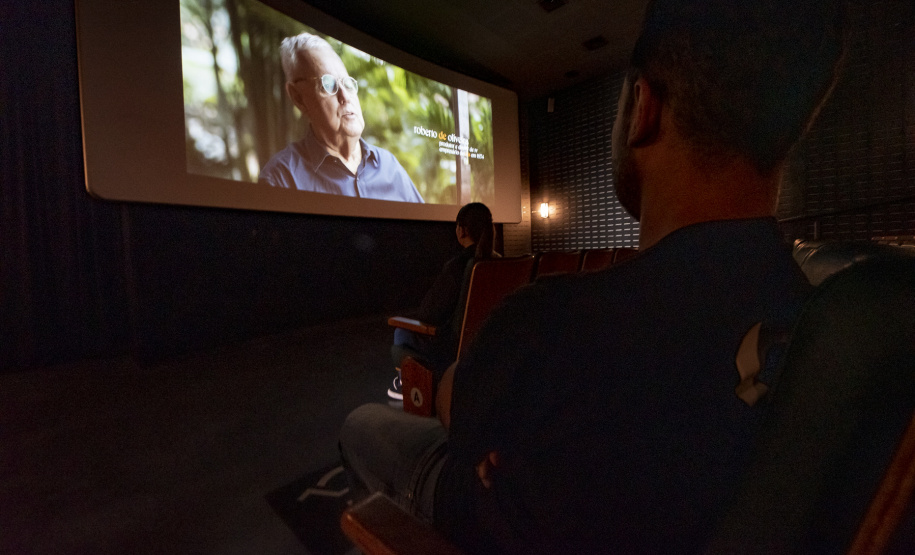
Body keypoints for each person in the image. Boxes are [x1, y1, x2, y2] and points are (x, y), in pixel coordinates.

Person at [339, 0, 847, 552]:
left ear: (642, 107)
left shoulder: (552, 322)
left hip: (489, 518)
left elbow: (458, 407)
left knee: (361, 424)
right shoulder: (828, 325)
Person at [258, 33, 424, 203]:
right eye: (328, 84)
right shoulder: (282, 178)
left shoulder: (389, 167)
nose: (345, 96)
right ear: (298, 98)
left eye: (347, 83)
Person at [387, 202, 495, 400]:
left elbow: (428, 315)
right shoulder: (502, 263)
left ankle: (410, 385)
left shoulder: (458, 266)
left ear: (462, 230)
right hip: (491, 341)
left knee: (401, 331)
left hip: (455, 347)